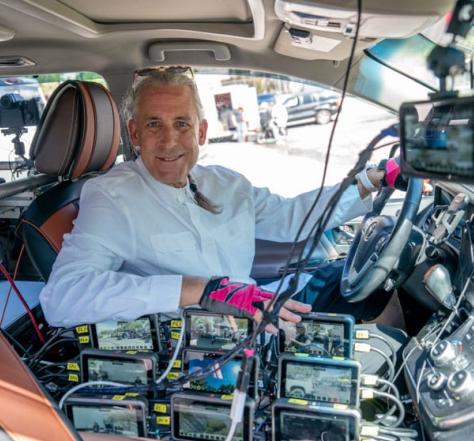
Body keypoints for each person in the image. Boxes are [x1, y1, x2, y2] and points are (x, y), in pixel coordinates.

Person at [39, 68, 403, 358]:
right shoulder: (111, 196)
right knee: (373, 348)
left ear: (201, 131)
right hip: (204, 348)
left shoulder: (224, 183)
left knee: (373, 278)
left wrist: (369, 181)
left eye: (181, 124)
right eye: (154, 125)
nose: (168, 141)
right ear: (134, 133)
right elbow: (63, 298)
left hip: (257, 315)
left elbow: (293, 217)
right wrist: (200, 290)